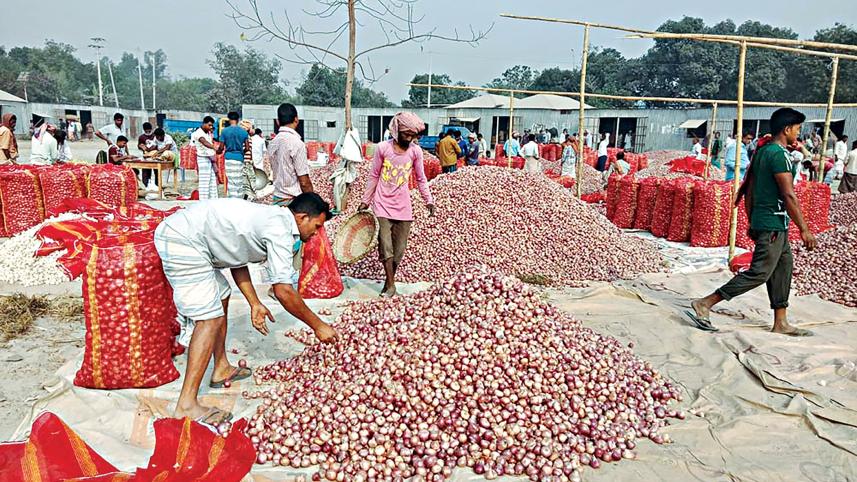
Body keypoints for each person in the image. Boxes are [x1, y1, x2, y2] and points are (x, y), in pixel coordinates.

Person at [154, 193, 339, 424]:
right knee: (208, 318)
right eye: (317, 225)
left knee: (221, 295)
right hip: (182, 240)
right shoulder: (280, 230)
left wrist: (254, 303)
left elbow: (237, 260)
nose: (315, 233)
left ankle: (220, 368)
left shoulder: (273, 218)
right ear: (302, 217)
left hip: (193, 239)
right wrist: (318, 326)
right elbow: (283, 290)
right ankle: (186, 404)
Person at [687, 108, 817, 337]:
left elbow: (749, 189)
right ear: (787, 129)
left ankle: (781, 322)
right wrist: (805, 229)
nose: (799, 133)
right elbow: (788, 195)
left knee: (783, 269)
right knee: (760, 272)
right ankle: (706, 302)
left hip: (771, 223)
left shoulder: (763, 151)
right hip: (773, 224)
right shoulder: (778, 155)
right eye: (797, 129)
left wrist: (751, 219)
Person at [358, 112, 435, 297]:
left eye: (412, 135)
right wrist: (366, 200)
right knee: (385, 246)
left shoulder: (415, 151)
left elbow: (421, 178)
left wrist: (429, 200)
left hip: (403, 206)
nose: (409, 139)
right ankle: (392, 285)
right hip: (382, 204)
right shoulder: (383, 148)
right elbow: (374, 175)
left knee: (399, 250)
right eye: (406, 134)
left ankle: (388, 281)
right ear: (396, 131)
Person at [269, 104, 312, 206]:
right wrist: (313, 201)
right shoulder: (297, 143)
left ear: (277, 121)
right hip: (293, 202)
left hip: (277, 198)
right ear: (296, 119)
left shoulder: (273, 143)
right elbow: (304, 182)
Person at [220, 111, 250, 198]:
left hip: (229, 157)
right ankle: (239, 200)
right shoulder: (244, 132)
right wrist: (241, 152)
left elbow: (221, 147)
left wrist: (217, 151)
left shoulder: (224, 131)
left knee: (231, 181)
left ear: (229, 120)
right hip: (239, 158)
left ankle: (232, 201)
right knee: (239, 181)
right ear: (238, 120)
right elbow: (247, 148)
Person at [192, 116, 223, 200]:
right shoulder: (198, 133)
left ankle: (213, 201)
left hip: (210, 159)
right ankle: (203, 202)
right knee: (204, 182)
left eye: (211, 126)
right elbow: (204, 142)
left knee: (213, 182)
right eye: (209, 125)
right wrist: (214, 147)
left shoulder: (208, 133)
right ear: (204, 123)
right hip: (203, 159)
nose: (210, 127)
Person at [137, 122, 159, 191]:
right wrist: (141, 147)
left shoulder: (155, 136)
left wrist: (151, 149)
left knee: (157, 172)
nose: (148, 132)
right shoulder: (141, 137)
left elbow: (158, 145)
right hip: (146, 157)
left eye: (149, 130)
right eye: (146, 131)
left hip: (155, 157)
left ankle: (157, 186)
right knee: (146, 173)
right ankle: (146, 186)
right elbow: (139, 145)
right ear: (144, 130)